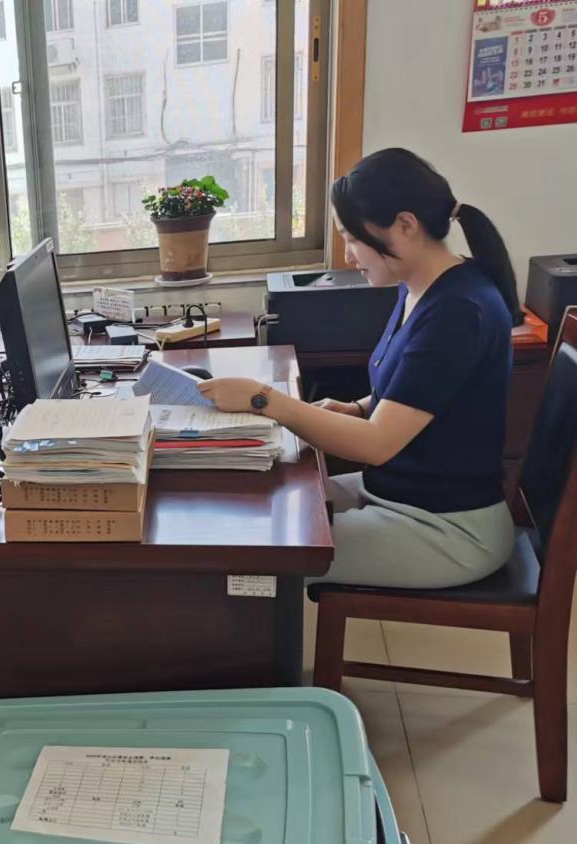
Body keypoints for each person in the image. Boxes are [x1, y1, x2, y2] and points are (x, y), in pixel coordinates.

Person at [198, 148, 518, 590]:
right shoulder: (422, 288)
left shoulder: (458, 310)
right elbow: (420, 391)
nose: (348, 256)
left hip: (446, 527)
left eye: (352, 238)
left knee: (257, 552)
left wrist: (264, 400)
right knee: (262, 503)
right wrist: (359, 407)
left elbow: (377, 444)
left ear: (405, 225)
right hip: (397, 493)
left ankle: (250, 635)